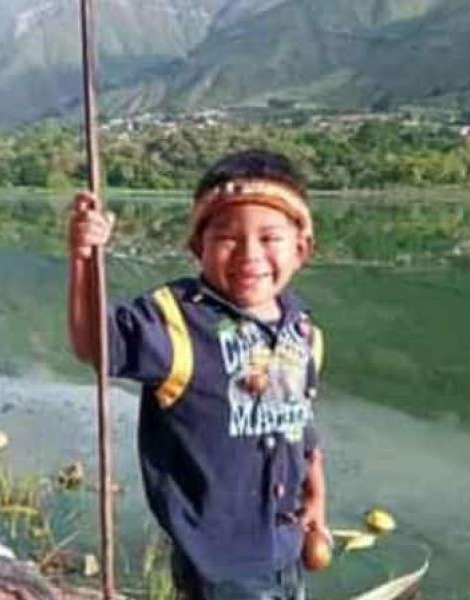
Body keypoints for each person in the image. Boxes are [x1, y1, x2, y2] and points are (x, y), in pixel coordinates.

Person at [68, 150, 329, 600]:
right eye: (227, 237)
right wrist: (84, 260)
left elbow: (301, 430)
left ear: (301, 249)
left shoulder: (302, 331)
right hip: (218, 562)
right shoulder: (175, 322)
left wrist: (317, 503)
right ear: (198, 248)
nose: (250, 255)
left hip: (286, 548)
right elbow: (96, 345)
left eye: (270, 238)